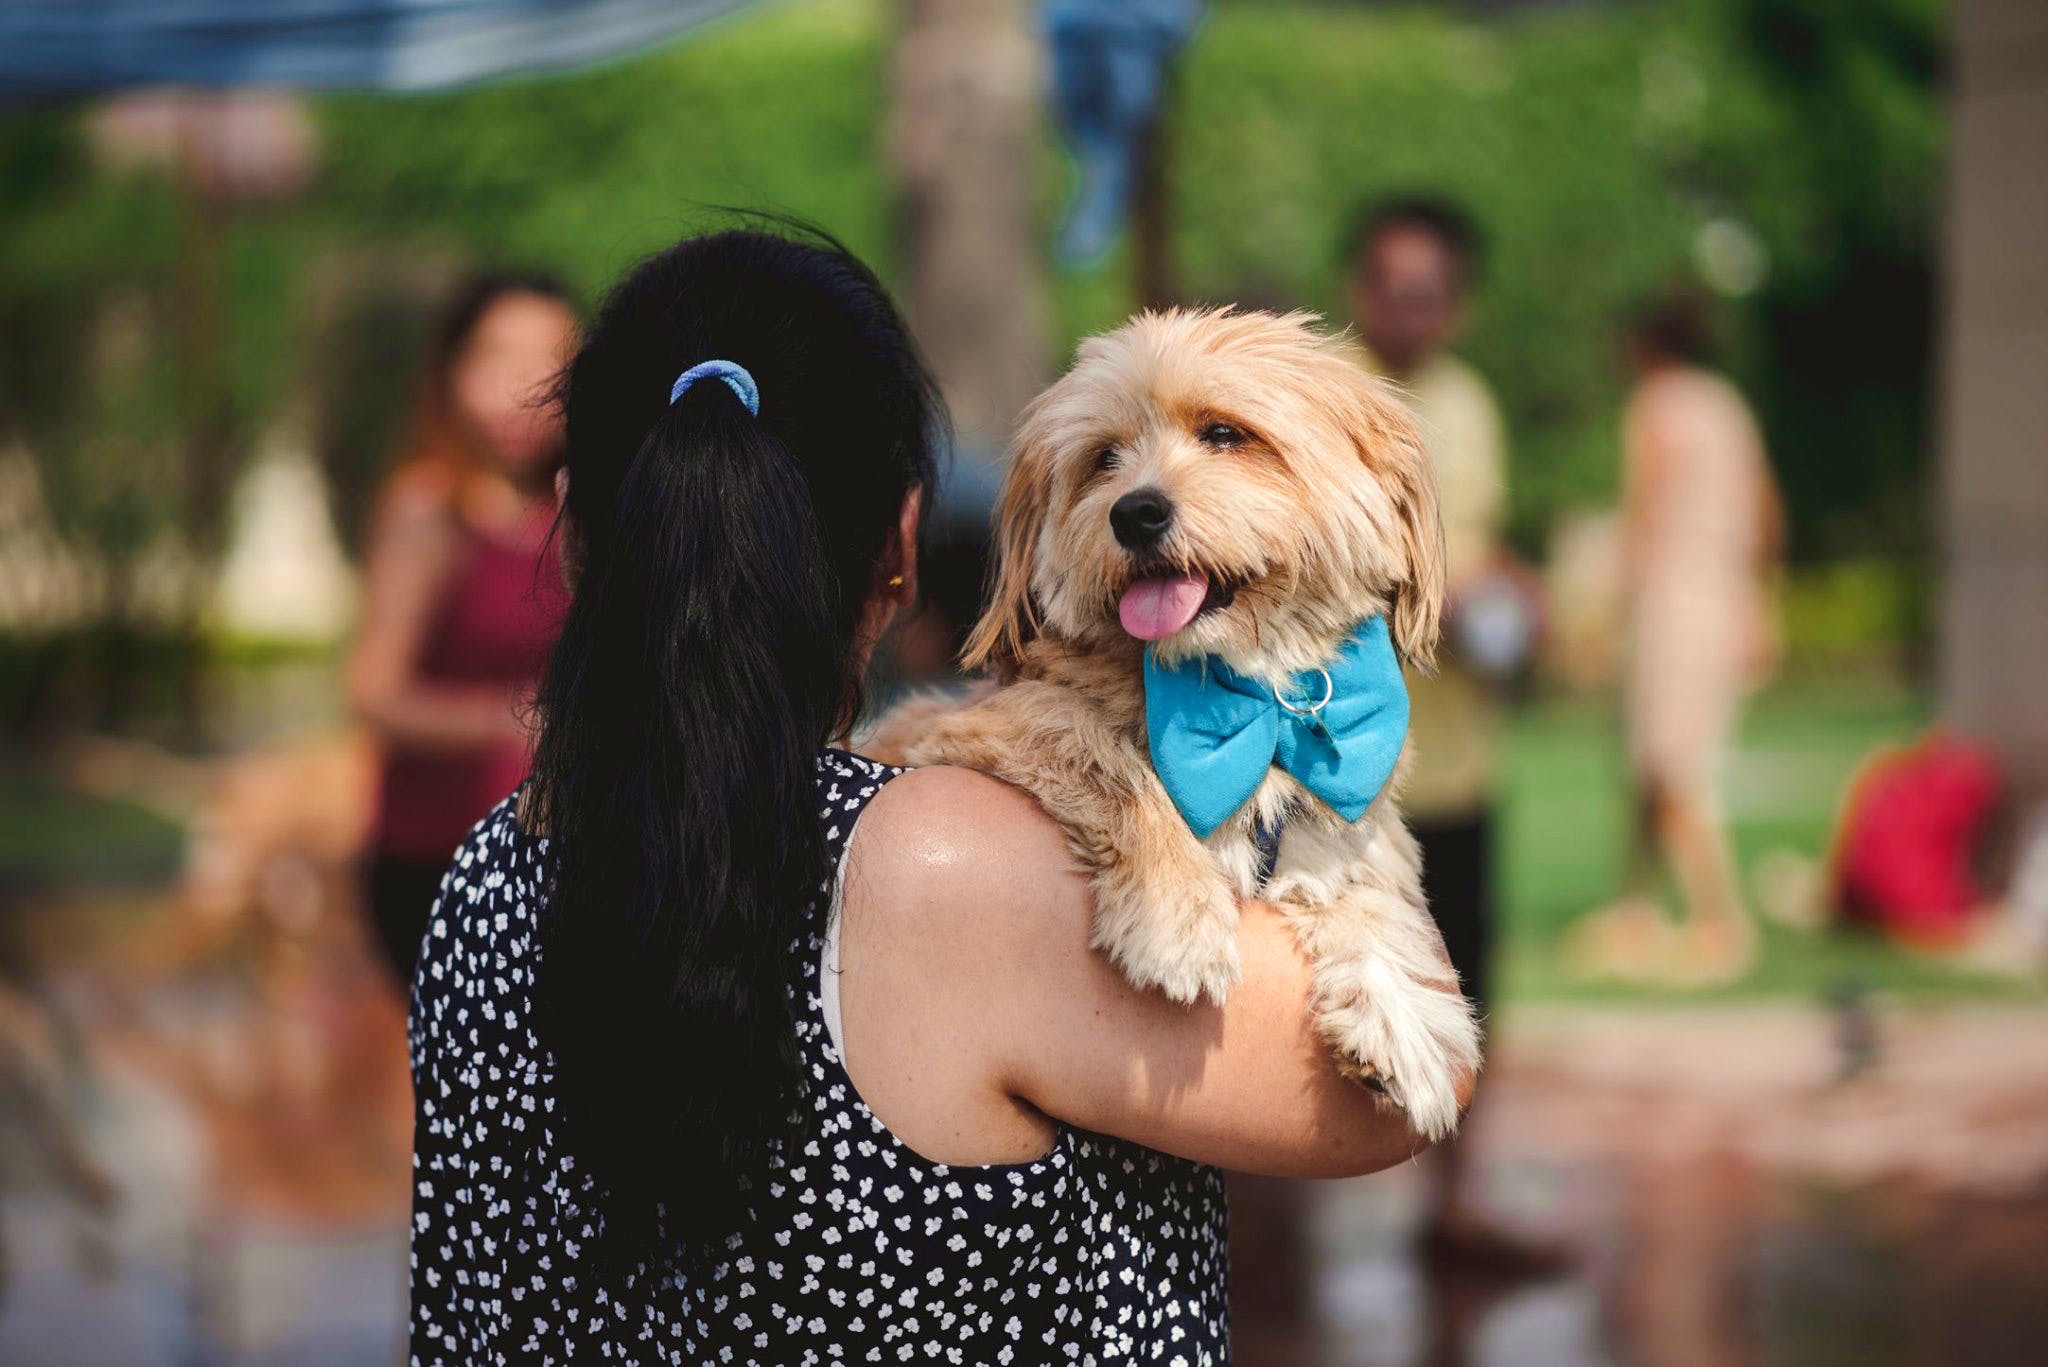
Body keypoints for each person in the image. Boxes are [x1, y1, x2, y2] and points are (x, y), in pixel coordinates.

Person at [407, 227, 1462, 1365]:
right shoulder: (960, 865)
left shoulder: (478, 879)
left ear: (572, 530)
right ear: (902, 539)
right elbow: (1394, 1092)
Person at [1347, 196, 1559, 1276]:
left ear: (1455, 303)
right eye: (1391, 286)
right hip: (1344, 771)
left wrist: (1512, 592)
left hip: (1462, 758)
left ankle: (1452, 1203)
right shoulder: (1323, 396)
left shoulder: (1470, 403)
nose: (1408, 309)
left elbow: (1471, 543)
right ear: (1357, 288)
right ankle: (1264, 1210)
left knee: (1468, 995)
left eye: (1428, 292)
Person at [347, 273, 578, 987]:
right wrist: (514, 721)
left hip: (558, 855)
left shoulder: (578, 510)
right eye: (498, 358)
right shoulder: (430, 509)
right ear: (451, 371)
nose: (523, 385)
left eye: (550, 362)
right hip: (441, 857)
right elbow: (372, 692)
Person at [1567, 293, 1784, 985]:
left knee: (1671, 765)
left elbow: (1647, 514)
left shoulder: (1657, 407)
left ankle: (1722, 921)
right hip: (1724, 594)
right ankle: (1636, 911)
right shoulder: (1725, 403)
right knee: (1645, 763)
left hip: (1674, 602)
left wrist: (1605, 617)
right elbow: (1765, 510)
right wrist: (1762, 604)